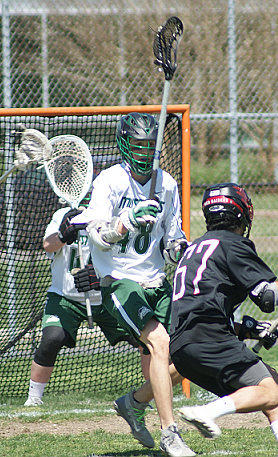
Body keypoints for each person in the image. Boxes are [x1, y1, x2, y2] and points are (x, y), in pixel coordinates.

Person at [168, 183, 278, 457]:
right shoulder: (232, 244)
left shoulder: (195, 247)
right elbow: (268, 298)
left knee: (269, 376)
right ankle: (207, 412)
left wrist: (248, 330)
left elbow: (203, 304)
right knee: (272, 393)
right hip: (210, 339)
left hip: (182, 348)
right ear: (241, 213)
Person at [71, 112, 194, 457]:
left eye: (149, 145)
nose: (143, 151)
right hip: (120, 281)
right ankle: (171, 433)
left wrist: (180, 250)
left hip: (157, 282)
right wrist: (125, 221)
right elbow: (97, 236)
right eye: (138, 144)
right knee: (159, 342)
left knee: (190, 355)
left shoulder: (167, 184)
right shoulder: (109, 181)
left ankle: (134, 402)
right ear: (125, 143)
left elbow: (172, 241)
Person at [24, 198, 141, 407]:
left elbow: (126, 259)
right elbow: (48, 245)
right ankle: (34, 398)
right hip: (66, 297)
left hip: (107, 296)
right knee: (52, 339)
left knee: (144, 338)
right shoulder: (64, 215)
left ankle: (150, 391)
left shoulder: (114, 218)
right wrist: (62, 234)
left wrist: (101, 278)